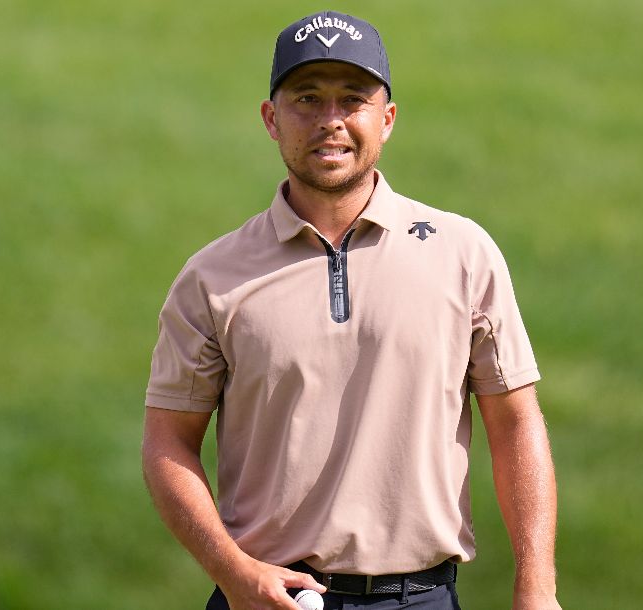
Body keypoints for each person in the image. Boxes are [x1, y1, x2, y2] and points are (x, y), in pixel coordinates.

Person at [141, 10, 561, 610]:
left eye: (352, 100)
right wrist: (231, 570)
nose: (330, 121)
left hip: (420, 598)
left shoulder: (462, 253)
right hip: (267, 598)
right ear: (271, 119)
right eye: (306, 98)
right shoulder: (211, 278)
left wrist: (537, 587)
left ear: (386, 119)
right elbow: (167, 442)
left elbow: (516, 423)